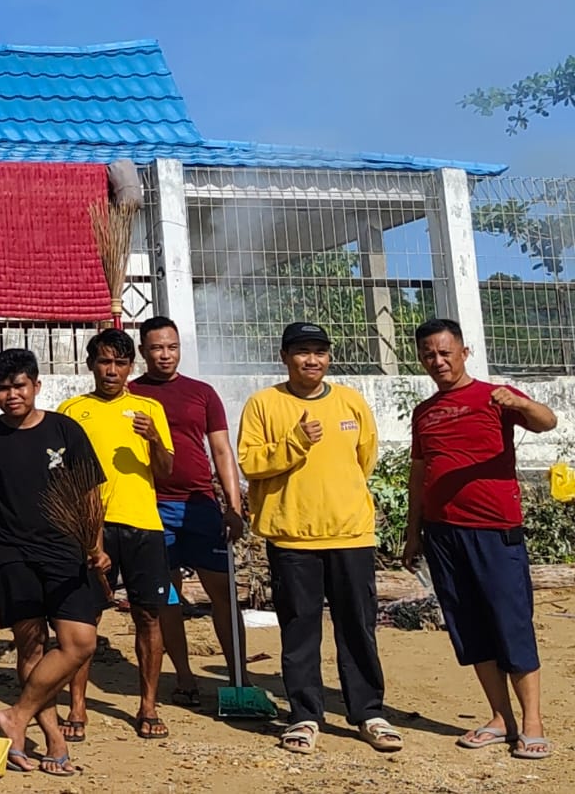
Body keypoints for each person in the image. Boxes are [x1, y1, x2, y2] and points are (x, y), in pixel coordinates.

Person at [238, 322, 401, 755]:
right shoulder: (264, 404)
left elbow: (364, 460)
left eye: (320, 352)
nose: (312, 360)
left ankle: (369, 712)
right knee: (299, 630)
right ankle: (305, 715)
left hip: (350, 535)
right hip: (293, 538)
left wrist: (340, 501)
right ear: (284, 356)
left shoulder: (350, 402)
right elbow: (250, 463)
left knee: (358, 627)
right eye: (302, 352)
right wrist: (294, 443)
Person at [404, 318, 557, 759]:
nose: (438, 361)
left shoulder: (495, 396)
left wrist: (521, 405)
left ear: (464, 351)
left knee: (511, 624)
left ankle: (533, 722)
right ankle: (500, 718)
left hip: (494, 532)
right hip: (443, 534)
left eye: (445, 351)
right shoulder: (425, 412)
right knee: (468, 627)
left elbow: (548, 421)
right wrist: (414, 532)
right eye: (429, 354)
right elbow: (419, 473)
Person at [0, 348, 107, 777]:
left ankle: (15, 716)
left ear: (36, 386)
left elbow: (89, 492)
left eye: (19, 385)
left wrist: (95, 542)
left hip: (66, 552)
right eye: (2, 388)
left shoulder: (65, 430)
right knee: (31, 647)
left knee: (81, 642)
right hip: (12, 554)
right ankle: (53, 739)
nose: (11, 395)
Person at [57, 329, 174, 741]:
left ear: (130, 367)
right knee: (83, 619)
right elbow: (59, 475)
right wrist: (83, 531)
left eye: (120, 363)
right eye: (104, 361)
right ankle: (76, 707)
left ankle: (148, 705)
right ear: (91, 364)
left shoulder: (149, 408)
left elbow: (165, 471)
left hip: (143, 525)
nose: (111, 370)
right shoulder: (71, 411)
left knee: (148, 615)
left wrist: (155, 439)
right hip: (91, 529)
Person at [130, 316, 250, 705]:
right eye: (157, 348)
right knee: (167, 598)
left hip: (200, 506)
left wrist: (232, 506)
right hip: (152, 508)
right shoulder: (130, 396)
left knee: (223, 594)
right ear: (143, 351)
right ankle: (184, 678)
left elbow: (221, 451)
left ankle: (238, 679)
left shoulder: (202, 393)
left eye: (172, 347)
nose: (165, 355)